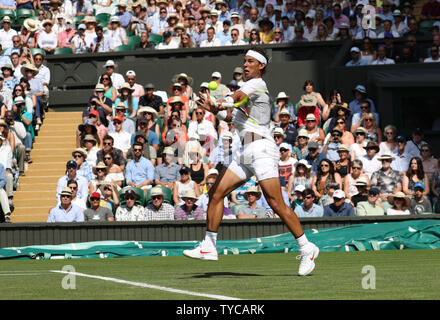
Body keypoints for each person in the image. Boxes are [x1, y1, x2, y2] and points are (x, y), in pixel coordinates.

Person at [183, 47, 320, 276]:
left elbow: (233, 99)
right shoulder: (248, 99)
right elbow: (229, 114)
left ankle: (307, 247)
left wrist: (221, 101)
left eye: (249, 62)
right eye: (243, 61)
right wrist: (213, 108)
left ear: (261, 66)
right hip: (245, 152)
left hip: (263, 150)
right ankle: (209, 245)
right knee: (216, 193)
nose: (245, 65)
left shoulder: (256, 85)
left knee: (276, 204)